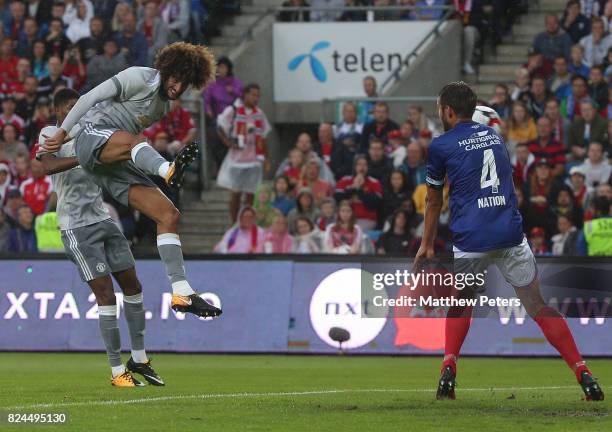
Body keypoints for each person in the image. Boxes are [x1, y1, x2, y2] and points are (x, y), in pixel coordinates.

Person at [415, 81, 603, 401]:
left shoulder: (441, 145)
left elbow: (433, 202)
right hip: (509, 235)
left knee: (461, 304)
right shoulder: (496, 136)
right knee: (537, 306)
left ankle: (449, 369)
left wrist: (426, 245)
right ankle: (582, 371)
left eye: (439, 109)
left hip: (472, 239)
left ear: (447, 111)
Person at [41, 42, 221, 319]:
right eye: (177, 76)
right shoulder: (139, 76)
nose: (178, 85)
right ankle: (166, 170)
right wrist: (65, 132)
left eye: (185, 82)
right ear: (168, 68)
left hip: (113, 158)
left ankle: (182, 290)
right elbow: (88, 98)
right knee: (137, 142)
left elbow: (129, 142)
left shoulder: (163, 105)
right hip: (91, 136)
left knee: (168, 214)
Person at [37, 88, 163, 387]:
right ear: (59, 112)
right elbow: (47, 165)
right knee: (106, 296)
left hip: (104, 219)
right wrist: (84, 158)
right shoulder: (51, 133)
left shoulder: (92, 133)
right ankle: (117, 371)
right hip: (77, 227)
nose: (77, 111)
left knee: (134, 288)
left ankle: (140, 358)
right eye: (70, 107)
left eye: (78, 106)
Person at [217, 83, 270, 223]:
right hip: (237, 159)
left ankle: (247, 221)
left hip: (254, 158)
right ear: (245, 94)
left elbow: (263, 136)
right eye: (253, 95)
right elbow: (220, 126)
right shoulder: (233, 110)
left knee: (251, 192)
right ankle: (235, 223)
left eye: (258, 96)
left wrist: (266, 157)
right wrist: (227, 142)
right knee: (236, 192)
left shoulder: (259, 113)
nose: (256, 98)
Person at [334, 155, 383, 231]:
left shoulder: (374, 182)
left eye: (365, 165)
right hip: (345, 217)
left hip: (366, 220)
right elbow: (338, 199)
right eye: (359, 164)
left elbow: (373, 205)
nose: (362, 167)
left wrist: (360, 189)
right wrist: (353, 187)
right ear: (354, 166)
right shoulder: (344, 180)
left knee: (356, 231)